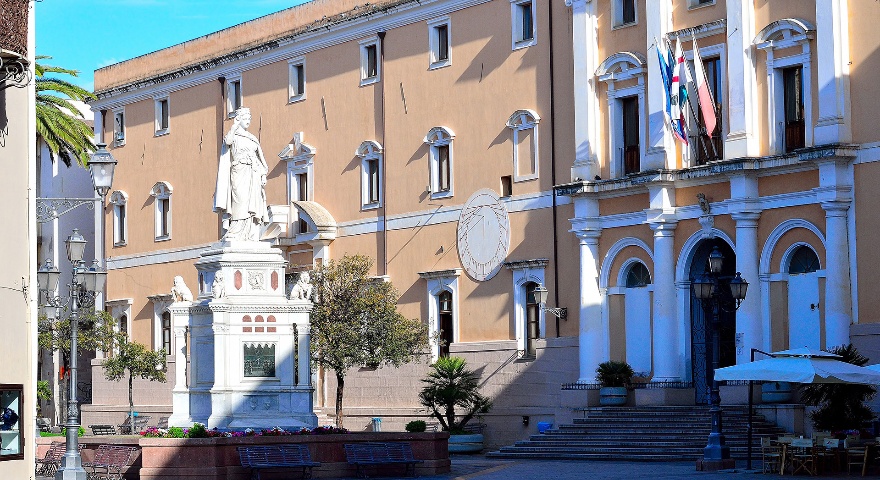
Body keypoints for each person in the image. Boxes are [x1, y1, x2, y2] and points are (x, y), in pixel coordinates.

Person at [213, 107, 268, 241]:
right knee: (240, 200)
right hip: (239, 171)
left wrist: (263, 175)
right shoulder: (233, 135)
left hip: (253, 173)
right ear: (238, 119)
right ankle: (236, 230)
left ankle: (250, 233)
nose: (248, 121)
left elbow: (260, 159)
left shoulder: (252, 138)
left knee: (252, 202)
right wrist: (234, 126)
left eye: (249, 118)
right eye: (245, 118)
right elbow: (228, 142)